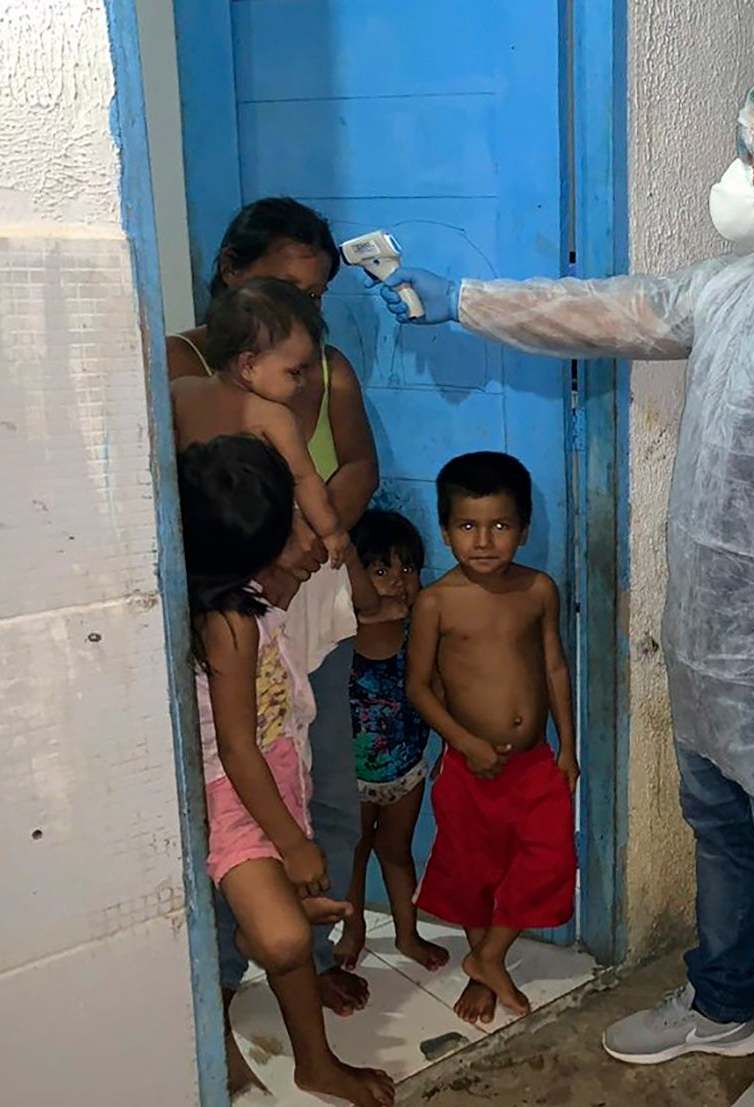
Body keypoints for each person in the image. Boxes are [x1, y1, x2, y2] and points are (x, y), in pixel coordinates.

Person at [373, 71, 754, 1107]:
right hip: (713, 652)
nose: (738, 174)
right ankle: (721, 1003)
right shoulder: (734, 289)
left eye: (751, 152)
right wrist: (463, 301)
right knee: (722, 836)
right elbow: (609, 310)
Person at [169, 198, 381, 1086]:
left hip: (292, 602)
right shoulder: (179, 370)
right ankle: (214, 995)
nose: (310, 309)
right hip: (234, 595)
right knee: (224, 809)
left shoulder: (317, 372)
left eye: (318, 292)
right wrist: (273, 554)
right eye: (288, 287)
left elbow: (354, 467)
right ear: (232, 274)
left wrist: (313, 561)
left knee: (320, 775)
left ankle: (307, 952)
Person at [178, 434, 396, 1107]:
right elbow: (237, 750)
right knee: (282, 937)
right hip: (244, 798)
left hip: (277, 780)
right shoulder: (229, 624)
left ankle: (315, 1063)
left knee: (292, 939)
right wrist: (296, 843)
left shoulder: (238, 597)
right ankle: (266, 938)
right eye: (293, 521)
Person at [403, 452, 579, 1025]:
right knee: (472, 869)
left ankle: (488, 957)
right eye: (467, 526)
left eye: (500, 526)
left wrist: (568, 747)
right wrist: (464, 742)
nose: (484, 541)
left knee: (549, 858)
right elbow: (419, 688)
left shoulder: (538, 591)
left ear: (524, 529)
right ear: (446, 530)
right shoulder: (436, 603)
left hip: (533, 764)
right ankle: (483, 959)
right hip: (468, 764)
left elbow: (555, 668)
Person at [334, 509, 449, 974]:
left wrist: (448, 747)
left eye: (408, 569)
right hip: (350, 777)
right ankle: (354, 930)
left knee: (397, 852)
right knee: (354, 852)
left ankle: (407, 933)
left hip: (407, 770)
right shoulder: (341, 635)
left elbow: (438, 692)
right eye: (380, 570)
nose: (398, 581)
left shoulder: (417, 635)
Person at [172, 279, 349, 564]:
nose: (303, 382)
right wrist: (331, 530)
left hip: (197, 535)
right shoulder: (273, 416)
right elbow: (304, 479)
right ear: (249, 365)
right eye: (294, 372)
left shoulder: (180, 391)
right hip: (254, 538)